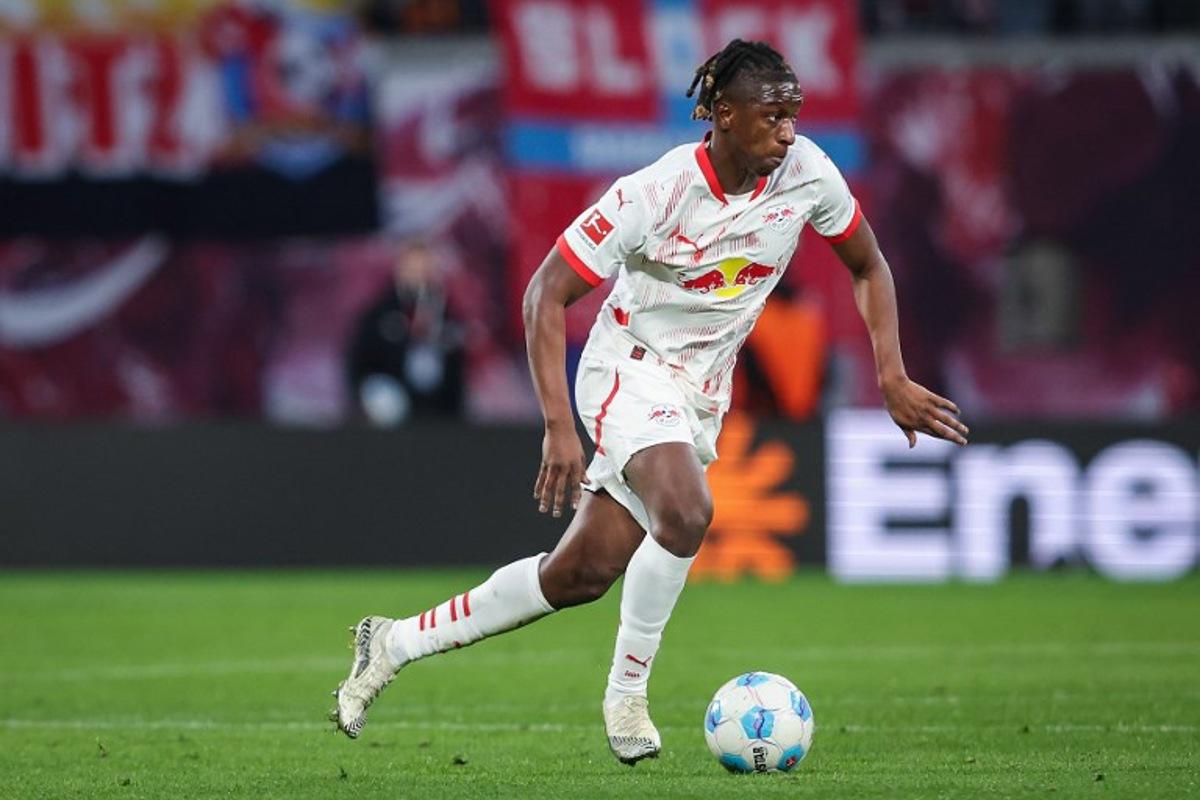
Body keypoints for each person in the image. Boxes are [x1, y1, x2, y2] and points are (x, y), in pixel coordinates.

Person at [331, 39, 968, 763]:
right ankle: (627, 696)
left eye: (794, 115)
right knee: (689, 510)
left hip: (699, 393)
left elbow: (868, 263)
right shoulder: (654, 193)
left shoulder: (808, 174)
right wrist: (557, 427)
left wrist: (890, 374)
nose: (788, 131)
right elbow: (546, 294)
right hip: (626, 369)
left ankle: (392, 641)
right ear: (724, 114)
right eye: (773, 115)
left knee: (577, 576)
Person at [345, 239, 466, 425]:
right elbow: (360, 362)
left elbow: (456, 366)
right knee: (386, 404)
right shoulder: (381, 312)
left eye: (424, 270)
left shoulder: (446, 312)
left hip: (437, 410)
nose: (419, 276)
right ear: (400, 270)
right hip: (393, 407)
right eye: (413, 269)